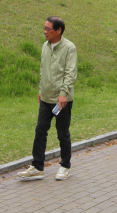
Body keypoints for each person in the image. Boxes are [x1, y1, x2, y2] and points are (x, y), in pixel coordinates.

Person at [18, 16, 78, 181]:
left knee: (62, 133)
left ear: (58, 30)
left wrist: (63, 94)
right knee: (40, 131)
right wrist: (40, 89)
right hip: (46, 98)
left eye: (48, 29)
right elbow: (42, 70)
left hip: (61, 101)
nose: (45, 32)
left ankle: (65, 166)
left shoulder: (69, 48)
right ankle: (37, 167)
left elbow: (70, 73)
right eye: (44, 28)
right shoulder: (45, 46)